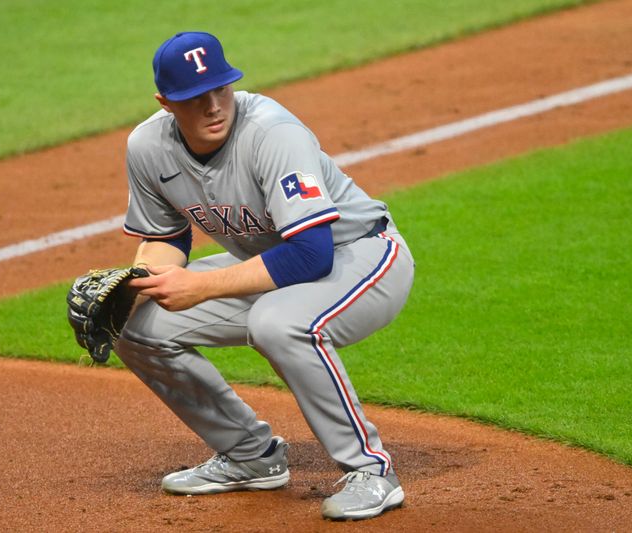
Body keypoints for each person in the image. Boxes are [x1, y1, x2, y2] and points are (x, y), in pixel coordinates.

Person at [116, 31, 415, 521]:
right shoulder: (148, 147)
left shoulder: (273, 132)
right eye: (195, 98)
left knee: (277, 322)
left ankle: (371, 471)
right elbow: (167, 239)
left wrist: (199, 286)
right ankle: (249, 456)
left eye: (221, 88)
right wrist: (140, 282)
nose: (214, 106)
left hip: (361, 255)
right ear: (166, 102)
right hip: (273, 265)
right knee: (134, 325)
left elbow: (312, 255)